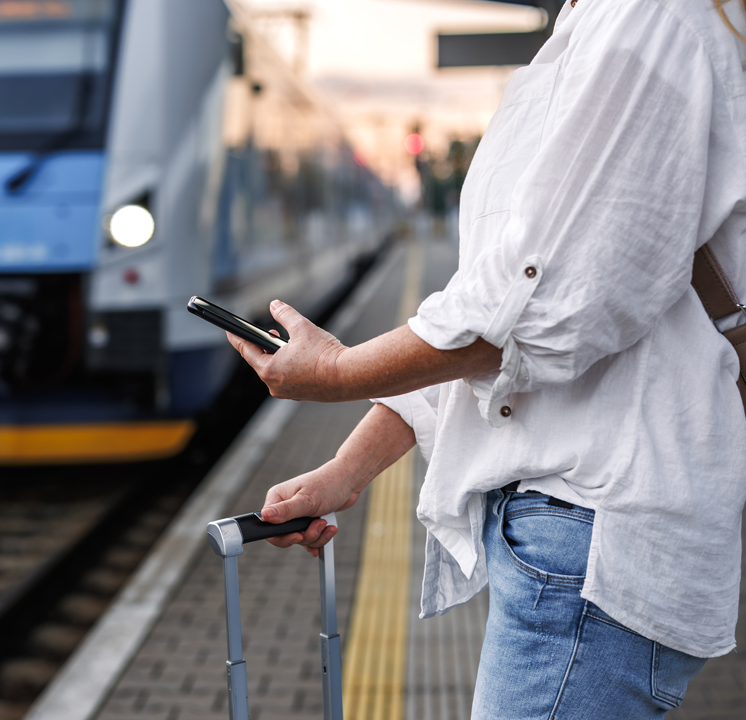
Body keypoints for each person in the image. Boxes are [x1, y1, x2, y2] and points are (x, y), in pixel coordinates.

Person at [226, 0, 746, 717]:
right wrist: (345, 471)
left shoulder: (645, 15)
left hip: (589, 548)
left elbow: (539, 306)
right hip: (568, 541)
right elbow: (493, 318)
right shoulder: (598, 21)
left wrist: (341, 374)